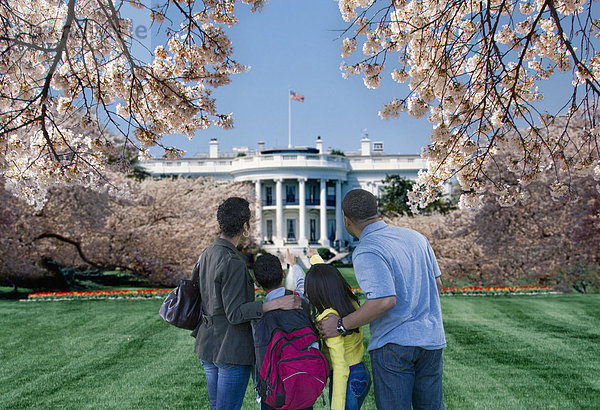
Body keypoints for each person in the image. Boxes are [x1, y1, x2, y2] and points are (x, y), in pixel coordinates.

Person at [318, 189, 446, 410]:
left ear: (346, 220)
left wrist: (340, 325)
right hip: (431, 341)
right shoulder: (417, 238)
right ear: (377, 212)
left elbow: (384, 301)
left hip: (394, 346)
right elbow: (437, 286)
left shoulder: (367, 249)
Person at [194, 197, 301, 410]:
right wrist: (274, 304)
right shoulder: (231, 261)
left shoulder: (207, 253)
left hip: (208, 345)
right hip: (230, 349)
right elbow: (235, 313)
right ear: (244, 226)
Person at [252, 252, 322, 410]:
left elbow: (257, 359)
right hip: (304, 386)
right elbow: (303, 284)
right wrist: (294, 264)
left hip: (274, 393)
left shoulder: (257, 317)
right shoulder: (301, 302)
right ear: (283, 274)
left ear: (257, 283)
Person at [304, 262, 371, 410]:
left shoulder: (329, 321)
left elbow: (340, 366)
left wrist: (337, 407)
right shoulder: (350, 303)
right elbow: (327, 277)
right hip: (361, 371)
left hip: (347, 377)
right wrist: (314, 257)